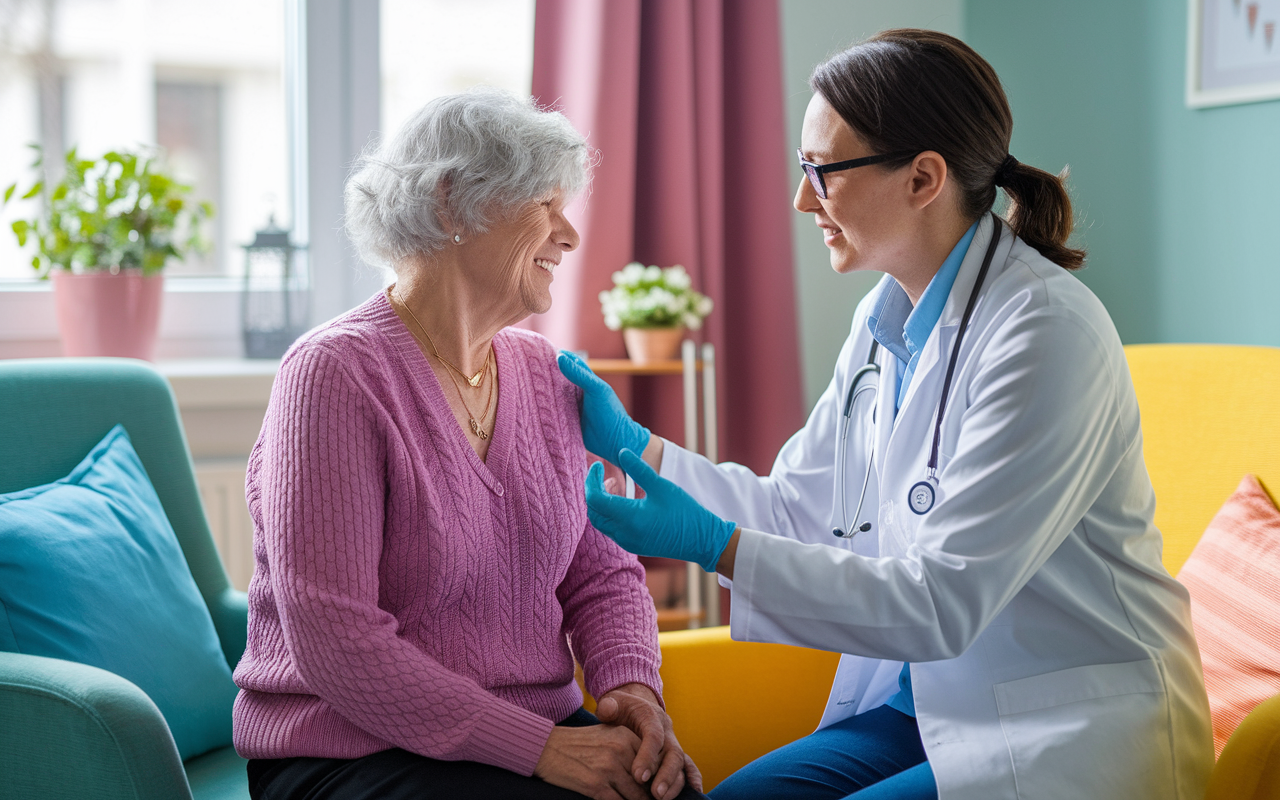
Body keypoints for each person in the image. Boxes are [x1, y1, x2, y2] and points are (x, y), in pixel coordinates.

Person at [558, 30, 1213, 800]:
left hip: (1062, 722)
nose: (803, 198)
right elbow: (797, 508)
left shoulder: (1046, 333)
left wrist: (716, 547)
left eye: (821, 172)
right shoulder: (886, 317)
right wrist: (641, 452)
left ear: (923, 178)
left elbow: (942, 603)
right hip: (927, 703)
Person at [232, 88, 704, 800]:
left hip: (530, 736)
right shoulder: (332, 375)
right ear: (453, 203)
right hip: (349, 749)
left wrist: (631, 690)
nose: (568, 235)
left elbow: (601, 573)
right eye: (545, 205)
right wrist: (542, 749)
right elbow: (338, 640)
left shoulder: (547, 375)